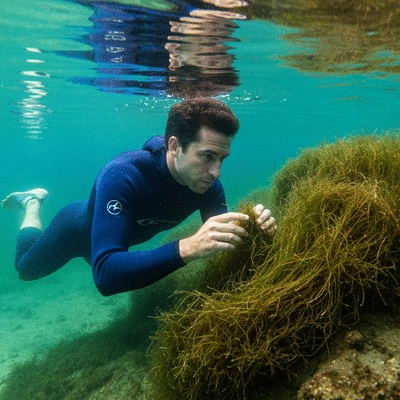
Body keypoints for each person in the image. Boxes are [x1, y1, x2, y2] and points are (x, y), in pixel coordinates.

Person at [2, 98, 275, 296]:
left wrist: (254, 224)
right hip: (76, 232)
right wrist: (188, 247)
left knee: (114, 253)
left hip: (116, 241)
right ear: (174, 146)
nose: (216, 172)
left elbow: (222, 238)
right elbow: (106, 276)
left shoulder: (206, 184)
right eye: (207, 156)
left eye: (222, 159)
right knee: (25, 269)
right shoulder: (123, 175)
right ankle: (31, 202)